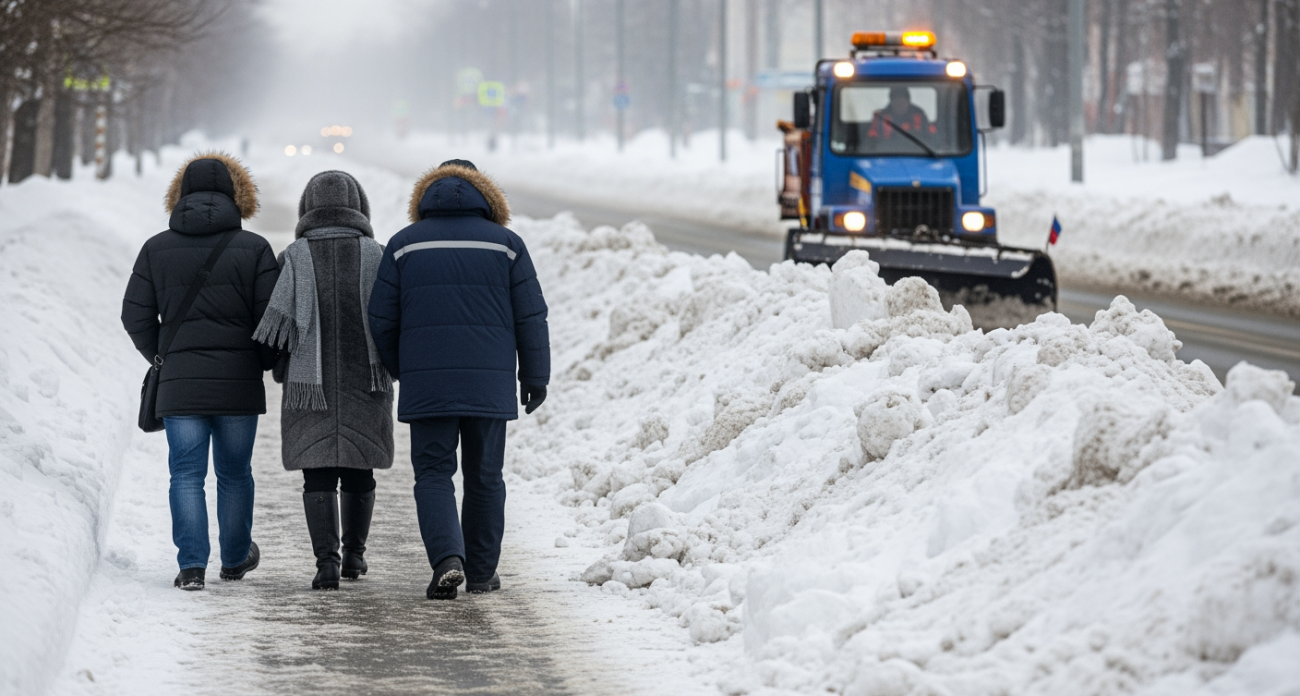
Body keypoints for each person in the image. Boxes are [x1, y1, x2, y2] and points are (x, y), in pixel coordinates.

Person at [368, 159, 550, 600]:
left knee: (433, 473)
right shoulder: (507, 244)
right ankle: (483, 573)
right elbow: (531, 315)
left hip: (428, 382)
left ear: (424, 198)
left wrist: (402, 368)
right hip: (488, 385)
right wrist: (535, 375)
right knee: (486, 476)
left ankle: (449, 558)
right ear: (486, 196)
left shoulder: (403, 245)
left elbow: (380, 318)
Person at [121, 153, 279, 591]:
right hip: (238, 387)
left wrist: (162, 355)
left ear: (179, 195)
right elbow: (271, 321)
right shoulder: (255, 249)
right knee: (235, 473)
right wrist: (258, 362)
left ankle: (192, 566)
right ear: (236, 196)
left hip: (181, 384)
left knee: (186, 475)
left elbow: (134, 315)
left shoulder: (156, 248)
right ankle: (234, 559)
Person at [254, 170, 394, 590]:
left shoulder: (292, 257)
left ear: (306, 209)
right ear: (361, 207)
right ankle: (354, 556)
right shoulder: (378, 255)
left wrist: (280, 369)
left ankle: (326, 563)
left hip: (306, 386)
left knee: (316, 474)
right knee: (359, 469)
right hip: (364, 382)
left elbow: (276, 329)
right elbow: (391, 320)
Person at [867, 86, 938, 142]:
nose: (900, 104)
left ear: (908, 101)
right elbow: (871, 140)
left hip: (918, 151)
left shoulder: (919, 116)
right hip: (885, 152)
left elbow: (932, 137)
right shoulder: (881, 117)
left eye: (903, 100)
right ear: (891, 101)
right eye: (896, 101)